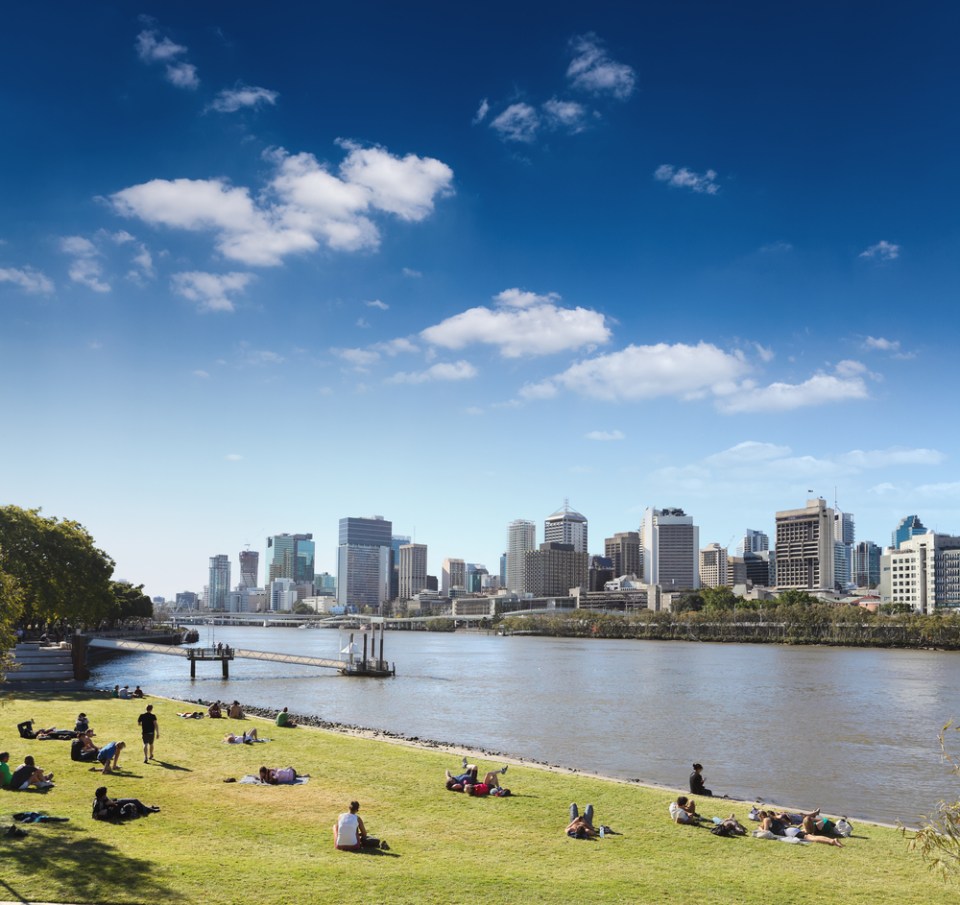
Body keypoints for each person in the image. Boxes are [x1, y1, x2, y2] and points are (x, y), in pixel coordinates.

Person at [92, 786, 159, 820]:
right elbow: (95, 815)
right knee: (135, 801)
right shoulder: (98, 803)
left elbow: (110, 802)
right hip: (117, 807)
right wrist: (107, 808)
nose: (106, 796)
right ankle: (149, 810)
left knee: (135, 801)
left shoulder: (101, 799)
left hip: (116, 803)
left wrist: (110, 803)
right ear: (102, 795)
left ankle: (149, 808)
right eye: (105, 794)